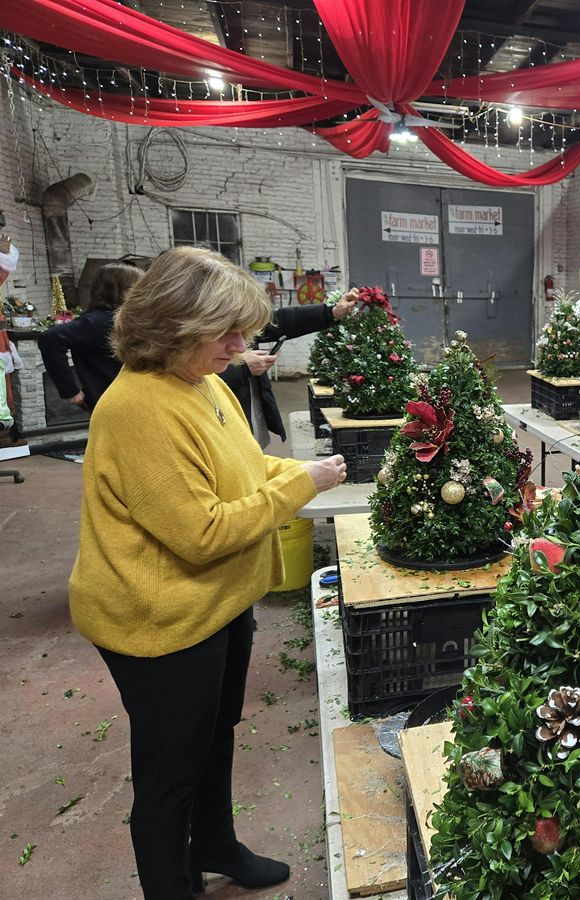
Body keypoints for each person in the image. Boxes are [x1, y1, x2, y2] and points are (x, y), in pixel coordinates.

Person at [69, 246, 347, 899]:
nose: (239, 346)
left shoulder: (204, 381)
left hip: (217, 603)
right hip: (159, 622)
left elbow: (246, 469)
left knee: (215, 736)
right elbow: (203, 533)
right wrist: (299, 485)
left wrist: (305, 472)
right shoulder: (138, 408)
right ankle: (171, 885)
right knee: (169, 773)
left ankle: (216, 844)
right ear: (173, 327)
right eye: (225, 333)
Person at [219, 291, 356, 448]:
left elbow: (279, 321)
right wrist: (241, 367)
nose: (242, 346)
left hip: (248, 421)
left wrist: (331, 313)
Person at [39, 262, 143, 410]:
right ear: (114, 290)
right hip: (111, 403)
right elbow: (50, 339)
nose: (140, 294)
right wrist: (69, 390)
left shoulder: (125, 319)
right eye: (134, 289)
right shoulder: (96, 321)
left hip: (131, 400)